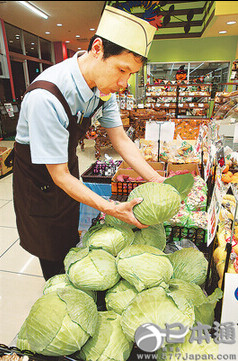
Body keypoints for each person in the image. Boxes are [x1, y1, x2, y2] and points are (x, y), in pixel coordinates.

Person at [13, 5, 165, 281]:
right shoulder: (46, 96)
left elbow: (119, 138)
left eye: (131, 74)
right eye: (121, 69)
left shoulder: (103, 88)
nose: (124, 82)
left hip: (64, 168)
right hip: (38, 182)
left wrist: (156, 179)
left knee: (70, 238)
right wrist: (109, 207)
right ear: (97, 48)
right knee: (51, 250)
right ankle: (57, 291)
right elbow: (57, 175)